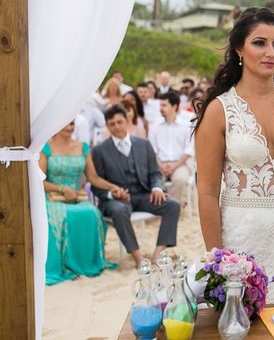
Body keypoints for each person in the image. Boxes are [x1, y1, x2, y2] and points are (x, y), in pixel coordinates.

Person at [194, 7, 274, 303]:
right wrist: (218, 262)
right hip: (240, 242)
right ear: (239, 48)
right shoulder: (219, 110)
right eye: (260, 42)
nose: (271, 52)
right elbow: (208, 193)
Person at [91, 104, 181, 267]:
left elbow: (155, 173)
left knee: (173, 205)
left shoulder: (143, 144)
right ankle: (139, 258)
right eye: (112, 124)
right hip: (117, 200)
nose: (117, 127)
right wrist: (112, 195)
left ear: (127, 121)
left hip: (143, 194)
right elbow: (96, 185)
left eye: (120, 122)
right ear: (107, 126)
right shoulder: (99, 151)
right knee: (118, 210)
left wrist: (156, 187)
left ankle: (157, 254)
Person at [40, 121, 123, 284]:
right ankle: (64, 265)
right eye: (66, 124)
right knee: (64, 215)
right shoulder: (45, 148)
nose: (70, 128)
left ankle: (85, 263)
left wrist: (113, 187)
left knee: (92, 213)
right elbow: (40, 180)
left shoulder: (83, 147)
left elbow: (93, 178)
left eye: (72, 124)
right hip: (53, 196)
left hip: (78, 196)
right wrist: (62, 189)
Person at [149, 91, 194, 207]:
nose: (161, 108)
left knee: (180, 179)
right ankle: (163, 206)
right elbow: (151, 150)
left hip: (180, 163)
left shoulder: (186, 126)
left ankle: (172, 208)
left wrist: (175, 165)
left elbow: (189, 149)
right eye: (160, 105)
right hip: (159, 163)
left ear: (174, 106)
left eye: (164, 105)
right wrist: (161, 165)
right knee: (154, 180)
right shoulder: (154, 126)